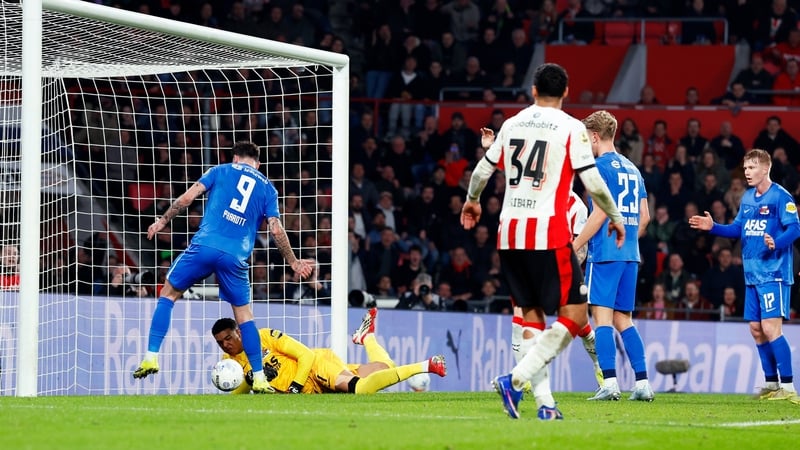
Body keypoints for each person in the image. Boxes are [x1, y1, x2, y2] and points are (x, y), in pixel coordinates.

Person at [460, 63, 625, 420]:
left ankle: (545, 404)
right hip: (547, 235)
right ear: (566, 92)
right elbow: (593, 181)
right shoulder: (571, 128)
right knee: (577, 315)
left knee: (531, 319)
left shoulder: (512, 124)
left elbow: (483, 170)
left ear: (533, 90)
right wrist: (614, 216)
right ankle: (515, 380)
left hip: (509, 234)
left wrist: (473, 200)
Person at [133, 141, 314, 394]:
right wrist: (293, 261)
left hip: (205, 246)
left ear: (236, 158)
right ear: (258, 164)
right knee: (244, 316)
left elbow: (187, 198)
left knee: (168, 294)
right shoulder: (268, 189)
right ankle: (260, 377)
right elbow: (275, 228)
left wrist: (162, 221)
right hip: (235, 256)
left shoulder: (220, 170)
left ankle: (151, 356)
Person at [689, 149, 800, 402]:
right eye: (745, 168)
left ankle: (790, 389)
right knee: (755, 328)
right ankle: (772, 384)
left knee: (772, 328)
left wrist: (777, 242)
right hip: (751, 275)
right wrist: (713, 227)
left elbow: (795, 229)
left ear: (765, 169)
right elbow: (738, 229)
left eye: (751, 168)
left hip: (773, 273)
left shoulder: (781, 197)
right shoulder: (748, 198)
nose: (747, 172)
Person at [572, 110, 654, 402]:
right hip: (630, 254)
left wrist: (576, 244)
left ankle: (609, 383)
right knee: (624, 320)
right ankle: (642, 383)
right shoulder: (633, 168)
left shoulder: (597, 167)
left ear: (594, 136)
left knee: (602, 319)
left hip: (605, 254)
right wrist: (628, 239)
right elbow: (645, 217)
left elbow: (599, 212)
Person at [509, 189, 603, 410]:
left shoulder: (576, 208)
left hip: (562, 270)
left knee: (579, 323)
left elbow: (581, 249)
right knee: (520, 316)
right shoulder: (532, 198)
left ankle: (600, 367)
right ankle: (523, 382)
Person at [211, 309, 446, 394]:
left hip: (316, 368)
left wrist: (294, 386)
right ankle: (367, 337)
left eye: (228, 338)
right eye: (220, 342)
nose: (226, 345)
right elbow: (245, 384)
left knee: (361, 390)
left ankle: (427, 365)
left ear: (239, 333)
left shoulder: (264, 336)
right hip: (312, 391)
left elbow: (307, 355)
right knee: (386, 370)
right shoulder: (230, 364)